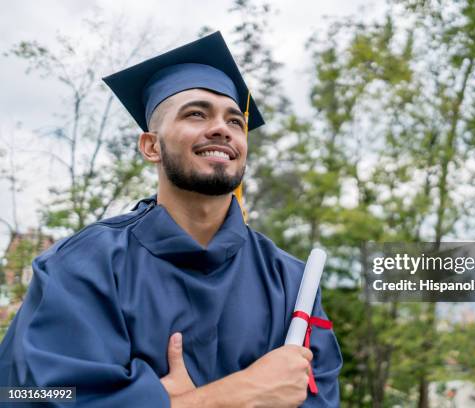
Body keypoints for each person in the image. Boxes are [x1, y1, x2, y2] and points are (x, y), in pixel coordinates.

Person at [0, 31, 342, 407]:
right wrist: (221, 398)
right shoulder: (82, 267)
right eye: (196, 113)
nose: (221, 129)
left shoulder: (290, 282)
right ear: (150, 146)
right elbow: (25, 394)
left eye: (235, 122)